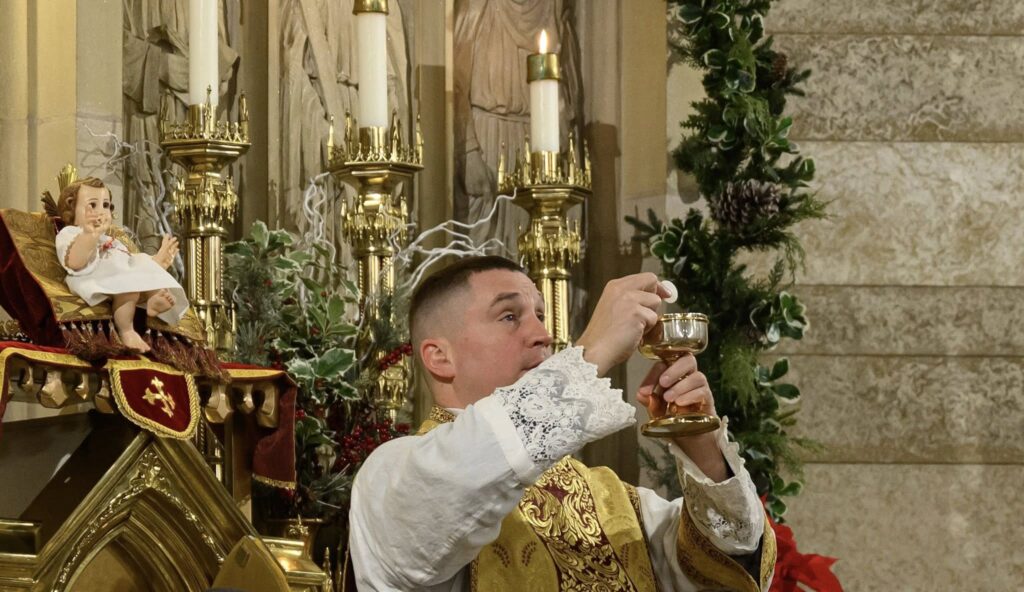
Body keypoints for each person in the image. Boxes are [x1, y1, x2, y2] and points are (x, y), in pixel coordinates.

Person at [349, 256, 775, 591]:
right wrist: (590, 353)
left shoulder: (615, 502)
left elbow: (725, 571)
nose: (543, 334)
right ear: (439, 357)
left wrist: (703, 449)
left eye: (540, 315)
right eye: (509, 316)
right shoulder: (390, 476)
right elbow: (455, 486)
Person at [55, 177, 187, 353]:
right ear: (71, 208)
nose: (101, 212)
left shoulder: (111, 239)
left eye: (105, 205)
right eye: (92, 205)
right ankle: (127, 331)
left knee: (140, 261)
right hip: (91, 278)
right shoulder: (70, 233)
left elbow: (129, 261)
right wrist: (89, 235)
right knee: (128, 285)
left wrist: (157, 262)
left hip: (116, 275)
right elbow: (74, 262)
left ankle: (155, 297)